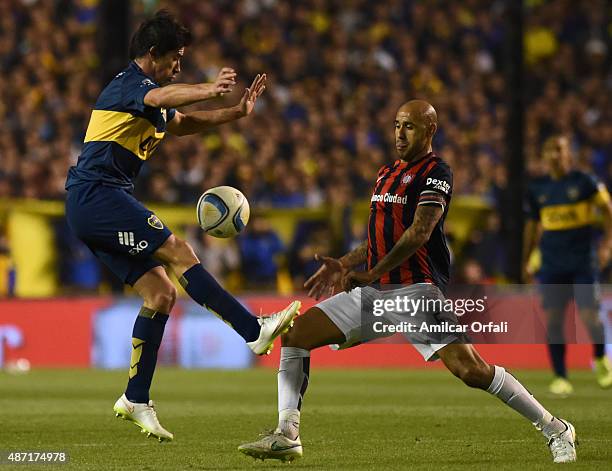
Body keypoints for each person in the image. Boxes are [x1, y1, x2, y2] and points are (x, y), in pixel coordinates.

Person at [238, 100, 576, 464]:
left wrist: (370, 271)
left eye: (410, 126)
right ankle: (287, 433)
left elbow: (420, 232)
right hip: (375, 291)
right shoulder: (386, 173)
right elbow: (379, 238)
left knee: (470, 370)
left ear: (430, 130)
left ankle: (556, 428)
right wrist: (344, 262)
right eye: (397, 125)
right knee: (297, 335)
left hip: (415, 290)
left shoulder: (436, 172)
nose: (400, 133)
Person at [64, 10, 300, 442]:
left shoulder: (147, 95)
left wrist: (235, 113)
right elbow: (161, 100)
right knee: (179, 251)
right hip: (97, 195)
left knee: (161, 292)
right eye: (175, 58)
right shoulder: (131, 86)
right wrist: (209, 88)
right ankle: (254, 330)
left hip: (97, 200)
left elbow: (181, 123)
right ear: (153, 54)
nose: (179, 65)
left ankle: (135, 398)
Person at [524, 135, 612, 395]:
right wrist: (526, 259)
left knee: (590, 316)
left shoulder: (585, 182)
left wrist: (607, 244)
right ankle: (560, 375)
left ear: (568, 154)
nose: (555, 155)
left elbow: (608, 210)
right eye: (550, 149)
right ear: (544, 155)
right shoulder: (537, 188)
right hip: (552, 262)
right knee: (553, 320)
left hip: (583, 260)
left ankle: (599, 357)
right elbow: (531, 226)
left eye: (560, 150)